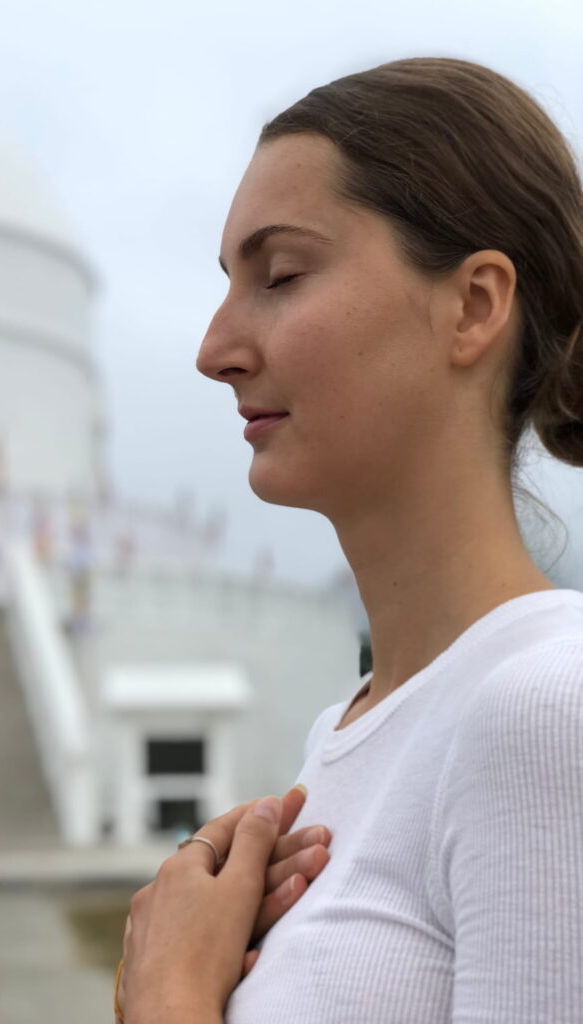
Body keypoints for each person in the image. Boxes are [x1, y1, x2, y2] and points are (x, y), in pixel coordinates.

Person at [116, 57, 583, 1023]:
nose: (213, 349)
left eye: (280, 275)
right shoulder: (341, 737)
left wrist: (165, 1000)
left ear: (475, 305)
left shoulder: (546, 712)